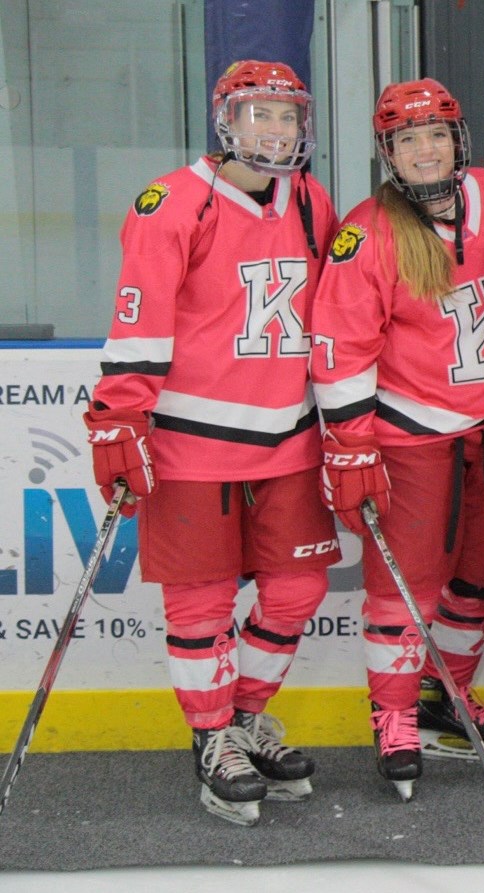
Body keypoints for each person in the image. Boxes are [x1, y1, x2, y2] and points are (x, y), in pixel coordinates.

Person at [84, 60, 337, 826]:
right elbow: (140, 321)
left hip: (289, 440)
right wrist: (120, 417)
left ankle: (242, 718)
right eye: (259, 114)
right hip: (193, 444)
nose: (276, 129)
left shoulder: (311, 201)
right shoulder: (173, 205)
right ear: (226, 123)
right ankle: (210, 737)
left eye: (287, 116)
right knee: (201, 605)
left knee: (298, 591)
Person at [309, 79, 484, 801]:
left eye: (435, 134)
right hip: (410, 442)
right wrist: (351, 444)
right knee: (404, 593)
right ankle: (392, 714)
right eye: (407, 140)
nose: (424, 150)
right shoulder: (366, 232)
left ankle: (445, 695)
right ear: (388, 153)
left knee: (480, 582)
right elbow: (339, 349)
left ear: (458, 140)